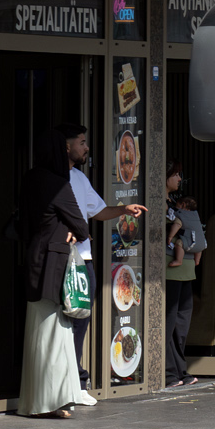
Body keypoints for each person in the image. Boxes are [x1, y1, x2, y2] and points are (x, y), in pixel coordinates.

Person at [58, 123, 146, 398]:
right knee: (62, 323)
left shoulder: (80, 179)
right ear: (66, 146)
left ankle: (77, 380)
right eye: (81, 142)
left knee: (81, 322)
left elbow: (98, 211)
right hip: (63, 260)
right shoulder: (51, 179)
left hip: (85, 260)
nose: (86, 148)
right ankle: (68, 383)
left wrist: (123, 209)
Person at [17, 128, 92, 418]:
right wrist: (71, 230)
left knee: (38, 333)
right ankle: (52, 402)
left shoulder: (30, 179)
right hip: (54, 264)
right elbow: (83, 226)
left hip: (34, 260)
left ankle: (35, 401)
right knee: (54, 335)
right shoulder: (59, 184)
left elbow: (24, 223)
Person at [164, 162, 199, 387]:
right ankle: (168, 373)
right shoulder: (158, 202)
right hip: (170, 268)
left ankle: (180, 370)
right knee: (168, 322)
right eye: (175, 174)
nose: (179, 178)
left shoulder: (177, 204)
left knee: (182, 323)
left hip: (186, 268)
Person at [167, 195, 205, 268]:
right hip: (202, 244)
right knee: (198, 247)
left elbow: (177, 225)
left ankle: (178, 260)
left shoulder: (181, 215)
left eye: (177, 204)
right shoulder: (195, 216)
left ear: (183, 205)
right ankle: (197, 261)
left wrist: (170, 237)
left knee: (179, 243)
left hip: (191, 241)